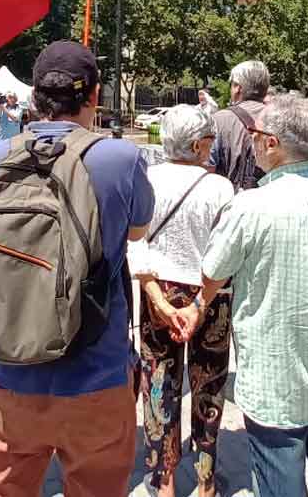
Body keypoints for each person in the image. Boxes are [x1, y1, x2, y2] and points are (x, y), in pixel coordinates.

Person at [0, 40, 155, 496]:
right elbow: (136, 232)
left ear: (34, 97)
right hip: (97, 367)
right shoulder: (121, 159)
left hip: (11, 364)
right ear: (93, 95)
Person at [177, 93, 308, 497]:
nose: (252, 141)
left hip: (274, 381)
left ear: (272, 143)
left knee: (280, 483)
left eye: (255, 134)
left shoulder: (251, 206)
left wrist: (197, 305)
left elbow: (213, 270)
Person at [128, 105, 233, 497]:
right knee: (209, 387)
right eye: (209, 138)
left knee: (158, 385)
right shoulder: (220, 187)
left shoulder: (148, 179)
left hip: (158, 291)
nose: (212, 145)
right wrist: (201, 303)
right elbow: (227, 252)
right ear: (196, 143)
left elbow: (133, 243)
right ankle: (206, 481)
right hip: (211, 294)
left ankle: (163, 479)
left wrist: (157, 298)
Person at [208, 61, 262, 191]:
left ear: (238, 87)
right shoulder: (279, 118)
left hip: (229, 200)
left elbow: (208, 167)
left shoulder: (218, 120)